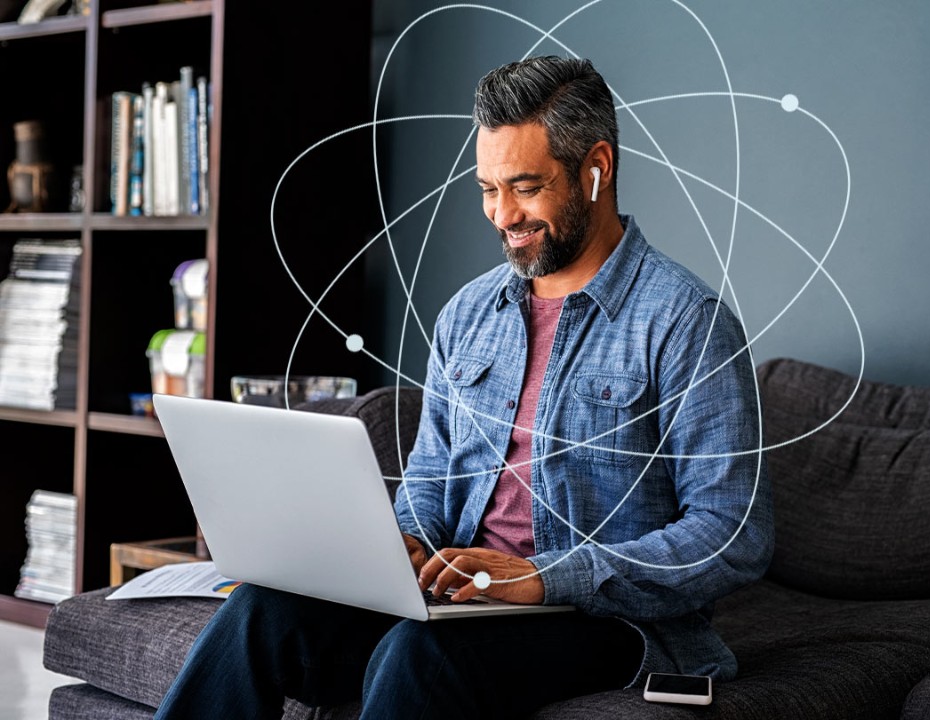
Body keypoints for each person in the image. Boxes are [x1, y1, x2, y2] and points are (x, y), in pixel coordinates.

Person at [155, 55, 772, 719]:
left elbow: (731, 533)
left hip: (603, 622)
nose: (502, 215)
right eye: (487, 188)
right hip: (461, 599)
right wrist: (400, 546)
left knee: (420, 657)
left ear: (597, 168)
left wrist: (540, 578)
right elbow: (428, 483)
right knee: (260, 611)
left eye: (526, 187)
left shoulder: (686, 322)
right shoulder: (469, 315)